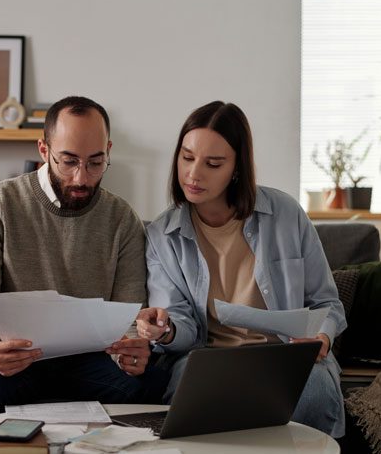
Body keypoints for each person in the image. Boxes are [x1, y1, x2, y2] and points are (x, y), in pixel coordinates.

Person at [136, 101, 347, 438]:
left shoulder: (286, 214)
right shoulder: (162, 236)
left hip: (284, 356)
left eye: (213, 163)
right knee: (187, 390)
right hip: (207, 358)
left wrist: (321, 335)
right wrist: (165, 330)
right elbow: (183, 326)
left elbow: (327, 303)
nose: (193, 174)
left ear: (236, 168)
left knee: (316, 390)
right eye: (187, 157)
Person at [0, 96, 167, 423]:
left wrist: (133, 348)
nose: (82, 178)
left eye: (96, 162)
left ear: (108, 150)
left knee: (153, 384)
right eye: (68, 161)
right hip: (13, 354)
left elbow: (130, 310)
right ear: (43, 150)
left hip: (91, 360)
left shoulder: (122, 218)